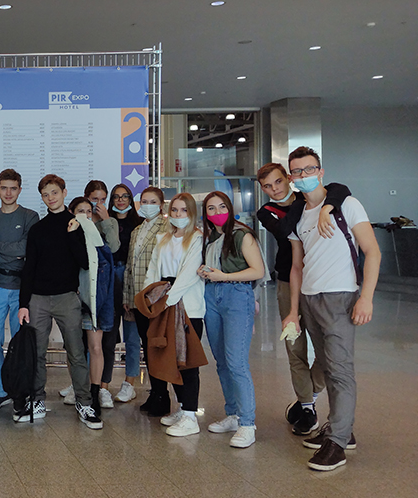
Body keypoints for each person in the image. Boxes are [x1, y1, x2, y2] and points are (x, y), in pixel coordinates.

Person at [283, 147, 381, 472]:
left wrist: (366, 297)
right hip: (309, 300)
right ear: (292, 177)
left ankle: (337, 443)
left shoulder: (346, 205)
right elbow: (297, 267)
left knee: (340, 371)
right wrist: (293, 311)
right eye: (297, 172)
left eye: (309, 169)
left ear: (321, 171)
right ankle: (342, 429)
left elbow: (372, 251)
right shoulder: (298, 215)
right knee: (326, 366)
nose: (303, 176)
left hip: (340, 298)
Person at [257, 163, 349, 436]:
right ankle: (307, 408)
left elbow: (340, 189)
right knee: (294, 347)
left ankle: (309, 394)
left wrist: (326, 207)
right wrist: (307, 204)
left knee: (328, 348)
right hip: (288, 281)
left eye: (278, 182)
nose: (274, 189)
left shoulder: (315, 198)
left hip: (322, 281)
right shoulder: (267, 211)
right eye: (267, 186)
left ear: (288, 178)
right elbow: (285, 229)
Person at [17, 174, 99, 428]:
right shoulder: (38, 229)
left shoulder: (78, 225)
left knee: (76, 352)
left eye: (54, 192)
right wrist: (23, 304)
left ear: (64, 192)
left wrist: (73, 234)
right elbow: (29, 268)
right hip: (38, 299)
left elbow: (85, 262)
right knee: (37, 353)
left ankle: (84, 402)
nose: (50, 198)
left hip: (67, 297)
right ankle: (37, 400)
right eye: (45, 194)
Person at [198, 191, 266, 448]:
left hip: (236, 295)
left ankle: (248, 423)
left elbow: (257, 270)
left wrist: (223, 277)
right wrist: (206, 272)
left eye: (221, 207)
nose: (217, 212)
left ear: (230, 208)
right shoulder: (209, 237)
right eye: (211, 208)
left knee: (237, 362)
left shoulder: (242, 235)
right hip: (211, 295)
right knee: (222, 362)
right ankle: (233, 414)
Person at [144, 192, 205, 437]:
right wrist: (150, 297)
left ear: (192, 213)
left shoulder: (197, 239)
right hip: (163, 304)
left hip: (187, 307)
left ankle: (191, 415)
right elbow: (152, 270)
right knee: (171, 358)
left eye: (184, 210)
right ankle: (181, 407)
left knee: (188, 361)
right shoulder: (163, 238)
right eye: (175, 210)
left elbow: (189, 274)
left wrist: (167, 300)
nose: (179, 215)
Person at [0, 169, 39, 412]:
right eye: (4, 187)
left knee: (20, 343)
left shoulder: (30, 216)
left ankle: (20, 392)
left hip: (22, 289)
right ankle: (0, 391)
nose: (8, 192)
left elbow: (27, 248)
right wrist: (11, 253)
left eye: (13, 188)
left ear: (19, 190)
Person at [122, 187, 171, 416]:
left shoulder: (167, 228)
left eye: (152, 201)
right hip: (138, 298)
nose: (147, 205)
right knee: (146, 345)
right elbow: (129, 266)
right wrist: (127, 296)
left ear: (161, 205)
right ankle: (155, 391)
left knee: (157, 346)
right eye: (144, 201)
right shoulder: (137, 230)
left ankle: (162, 394)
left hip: (156, 298)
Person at [68, 196, 113, 417]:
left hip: (96, 301)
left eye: (88, 211)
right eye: (80, 211)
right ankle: (79, 390)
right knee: (74, 349)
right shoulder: (67, 236)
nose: (85, 215)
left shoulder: (99, 239)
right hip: (72, 301)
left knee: (96, 347)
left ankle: (94, 393)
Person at [101, 183, 143, 406]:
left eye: (125, 196)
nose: (120, 200)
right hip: (109, 279)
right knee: (107, 335)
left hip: (131, 280)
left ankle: (129, 383)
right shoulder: (105, 222)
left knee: (132, 336)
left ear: (130, 199)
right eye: (116, 197)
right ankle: (103, 385)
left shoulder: (139, 223)